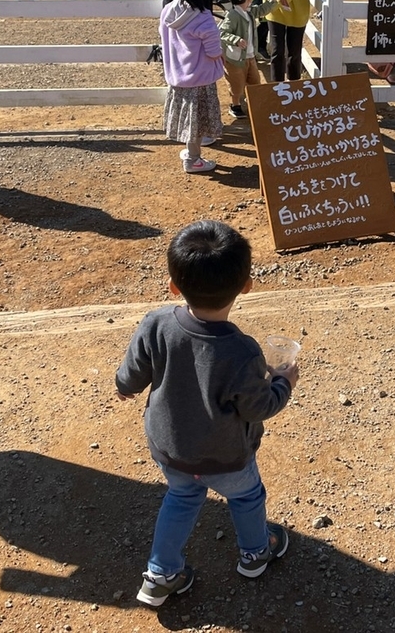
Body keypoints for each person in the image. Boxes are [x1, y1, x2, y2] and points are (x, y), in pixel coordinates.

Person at [116, 219, 296, 606]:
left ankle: (160, 575)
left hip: (172, 448)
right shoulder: (242, 352)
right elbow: (260, 407)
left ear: (174, 286)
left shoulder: (156, 323)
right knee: (247, 498)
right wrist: (284, 381)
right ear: (246, 285)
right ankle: (255, 553)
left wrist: (124, 386)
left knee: (181, 497)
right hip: (226, 456)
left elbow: (134, 370)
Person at [160, 0, 224, 174]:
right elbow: (214, 51)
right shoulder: (203, 17)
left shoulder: (169, 11)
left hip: (178, 76)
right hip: (200, 78)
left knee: (189, 119)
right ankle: (193, 159)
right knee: (196, 123)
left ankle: (191, 151)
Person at [219, 0, 274, 119]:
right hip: (235, 59)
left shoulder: (248, 12)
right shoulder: (232, 15)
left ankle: (254, 103)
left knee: (254, 80)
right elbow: (222, 32)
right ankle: (235, 104)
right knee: (236, 84)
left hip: (250, 56)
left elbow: (262, 10)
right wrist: (236, 40)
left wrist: (274, 0)